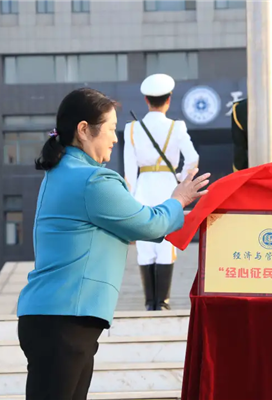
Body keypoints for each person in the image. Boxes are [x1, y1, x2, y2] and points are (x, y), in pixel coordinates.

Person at [17, 87, 209, 399]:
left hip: (57, 318)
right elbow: (148, 223)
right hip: (65, 321)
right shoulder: (93, 181)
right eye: (109, 129)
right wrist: (179, 199)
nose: (116, 138)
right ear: (84, 130)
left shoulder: (62, 173)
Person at [123, 73, 200, 311]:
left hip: (143, 186)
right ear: (169, 100)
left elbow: (128, 169)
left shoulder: (132, 128)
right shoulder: (177, 127)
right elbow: (193, 158)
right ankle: (163, 303)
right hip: (169, 186)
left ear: (147, 100)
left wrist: (130, 199)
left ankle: (150, 303)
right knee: (167, 243)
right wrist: (182, 177)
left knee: (146, 245)